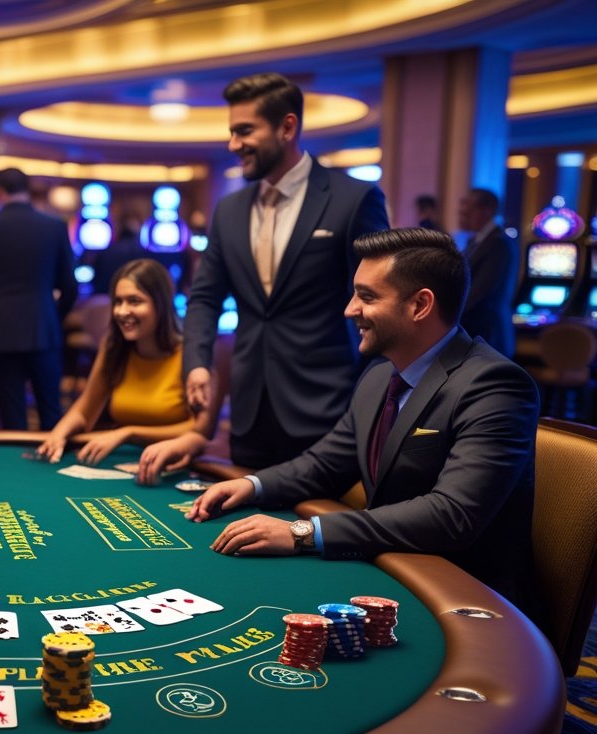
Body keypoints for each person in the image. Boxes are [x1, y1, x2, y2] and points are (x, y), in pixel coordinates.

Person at [169, 228, 539, 614]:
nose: (350, 309)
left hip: (467, 597)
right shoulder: (380, 376)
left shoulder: (494, 385)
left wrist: (302, 532)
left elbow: (451, 515)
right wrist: (251, 485)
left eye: (367, 296)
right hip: (391, 569)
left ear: (420, 305)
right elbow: (326, 464)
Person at [183, 72, 389, 469]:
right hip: (247, 412)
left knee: (309, 526)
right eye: (231, 131)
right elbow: (205, 297)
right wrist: (196, 362)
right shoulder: (229, 210)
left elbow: (378, 302)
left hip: (326, 407)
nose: (233, 144)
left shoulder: (354, 199)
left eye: (244, 131)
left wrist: (371, 401)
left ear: (287, 127)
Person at [37, 259, 209, 465]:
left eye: (134, 301)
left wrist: (128, 433)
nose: (121, 311)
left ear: (160, 303)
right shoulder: (113, 346)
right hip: (122, 460)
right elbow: (84, 410)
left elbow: (199, 429)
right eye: (118, 301)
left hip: (176, 462)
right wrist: (59, 434)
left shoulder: (192, 354)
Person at [0, 167, 78, 430]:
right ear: (28, 191)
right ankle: (54, 467)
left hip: (0, 330)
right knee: (51, 412)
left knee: (12, 416)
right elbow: (70, 287)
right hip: (43, 327)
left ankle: (14, 469)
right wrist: (52, 313)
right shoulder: (54, 227)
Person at [457, 187, 518, 357]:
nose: (461, 214)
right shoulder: (475, 241)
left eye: (467, 210)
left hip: (489, 335)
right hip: (475, 332)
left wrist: (446, 315)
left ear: (487, 210)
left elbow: (479, 292)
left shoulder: (499, 244)